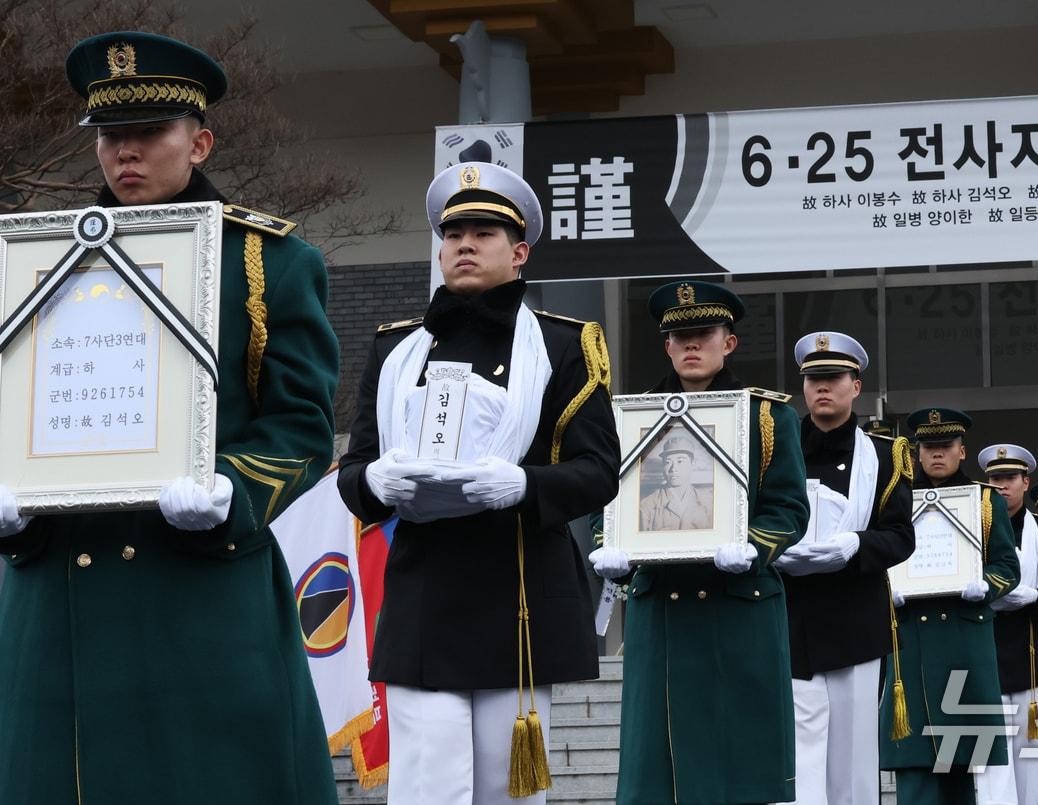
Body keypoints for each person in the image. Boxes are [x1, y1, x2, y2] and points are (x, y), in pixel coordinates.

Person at [0, 31, 340, 803]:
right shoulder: (39, 262)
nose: (125, 154)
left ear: (198, 141)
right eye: (109, 137)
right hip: (62, 589)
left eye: (148, 135)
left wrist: (231, 488)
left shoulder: (266, 261)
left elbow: (301, 425)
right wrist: (10, 512)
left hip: (197, 586)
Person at [335, 160, 620, 803]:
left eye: (485, 233)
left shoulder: (564, 344)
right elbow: (353, 473)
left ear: (519, 252)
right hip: (424, 595)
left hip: (517, 590)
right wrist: (378, 482)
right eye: (453, 232)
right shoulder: (396, 347)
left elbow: (599, 469)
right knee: (427, 782)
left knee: (507, 789)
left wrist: (523, 485)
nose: (464, 244)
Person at [589, 280, 809, 804]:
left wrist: (752, 546)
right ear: (665, 345)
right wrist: (609, 545)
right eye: (679, 336)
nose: (692, 345)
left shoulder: (766, 416)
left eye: (704, 334)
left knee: (738, 771)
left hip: (737, 604)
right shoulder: (631, 418)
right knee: (658, 775)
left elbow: (788, 507)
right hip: (662, 606)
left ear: (728, 342)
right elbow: (609, 500)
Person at [772, 331, 915, 804]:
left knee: (853, 753)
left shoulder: (885, 453)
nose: (822, 388)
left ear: (856, 386)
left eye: (833, 378)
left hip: (855, 614)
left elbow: (900, 535)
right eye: (813, 380)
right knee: (800, 745)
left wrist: (854, 545)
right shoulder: (775, 445)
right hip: (794, 614)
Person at [880, 408, 1019, 805]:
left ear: (962, 451)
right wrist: (886, 587)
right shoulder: (895, 498)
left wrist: (985, 585)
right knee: (915, 764)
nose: (936, 455)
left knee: (962, 763)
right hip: (912, 637)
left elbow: (1007, 566)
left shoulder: (984, 501)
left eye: (945, 447)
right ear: (916, 453)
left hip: (963, 636)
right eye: (928, 447)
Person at [976, 444, 1038, 805]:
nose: (1002, 486)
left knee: (1027, 750)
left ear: (1025, 482)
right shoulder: (974, 522)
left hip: (1031, 647)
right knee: (991, 750)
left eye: (1010, 478)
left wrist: (1032, 597)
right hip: (986, 645)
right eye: (995, 479)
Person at [638, 431, 713, 530]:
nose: (673, 468)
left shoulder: (708, 502)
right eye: (668, 462)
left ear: (692, 463)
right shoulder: (647, 506)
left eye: (680, 461)